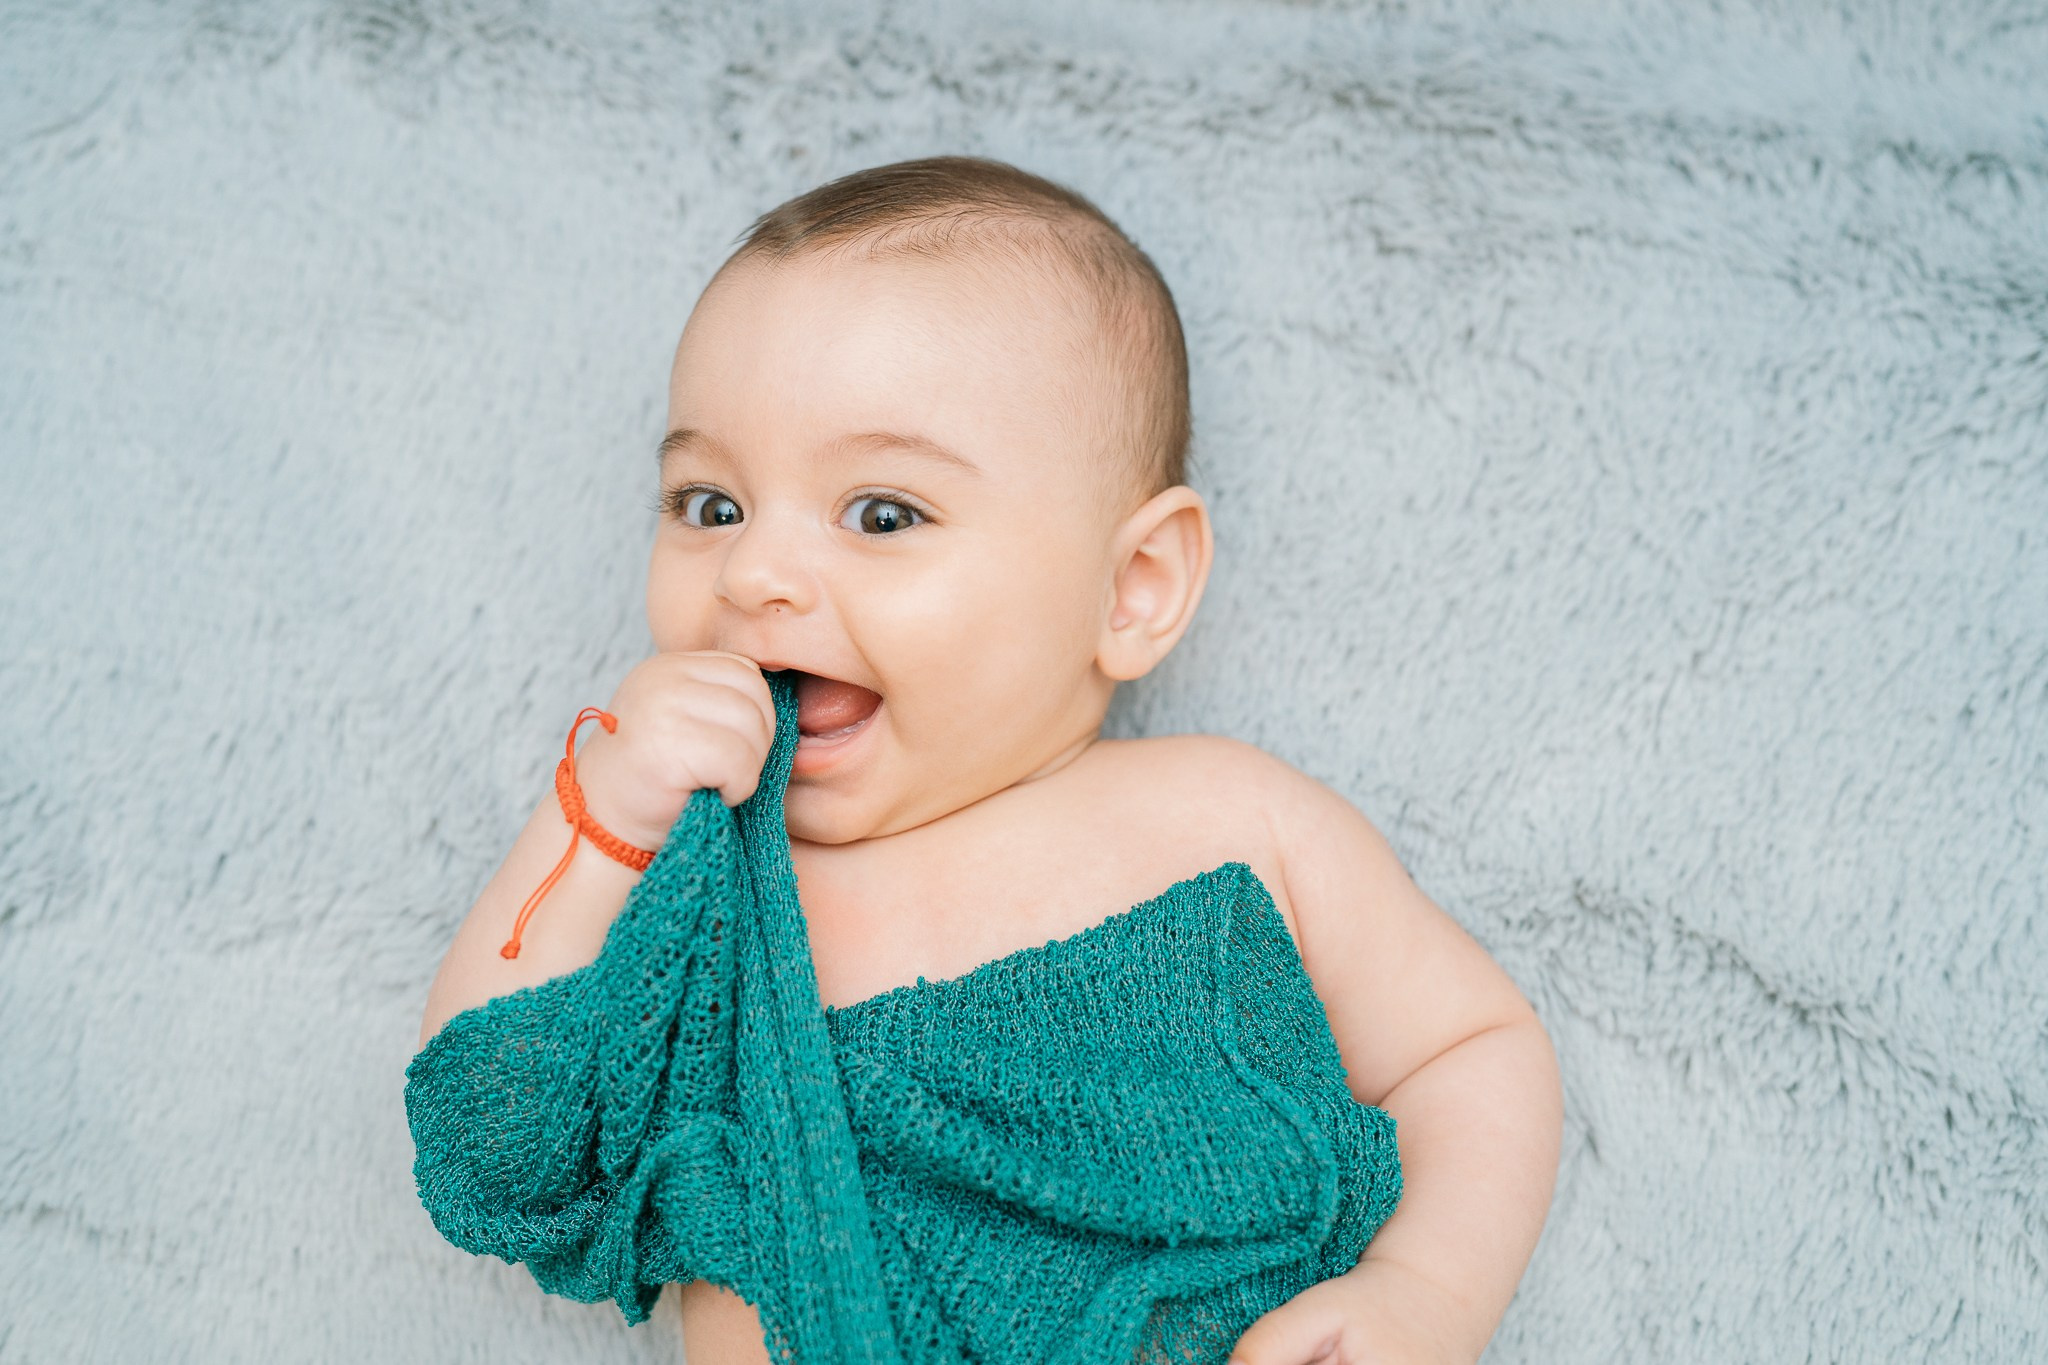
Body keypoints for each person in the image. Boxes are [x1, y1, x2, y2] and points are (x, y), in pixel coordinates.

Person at [413, 154, 1562, 1365]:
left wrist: (1425, 1292)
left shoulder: (1228, 817)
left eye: (881, 514)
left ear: (1132, 588)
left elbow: (1468, 1052)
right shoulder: (704, 897)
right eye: (710, 506)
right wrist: (599, 819)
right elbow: (494, 1142)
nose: (750, 576)